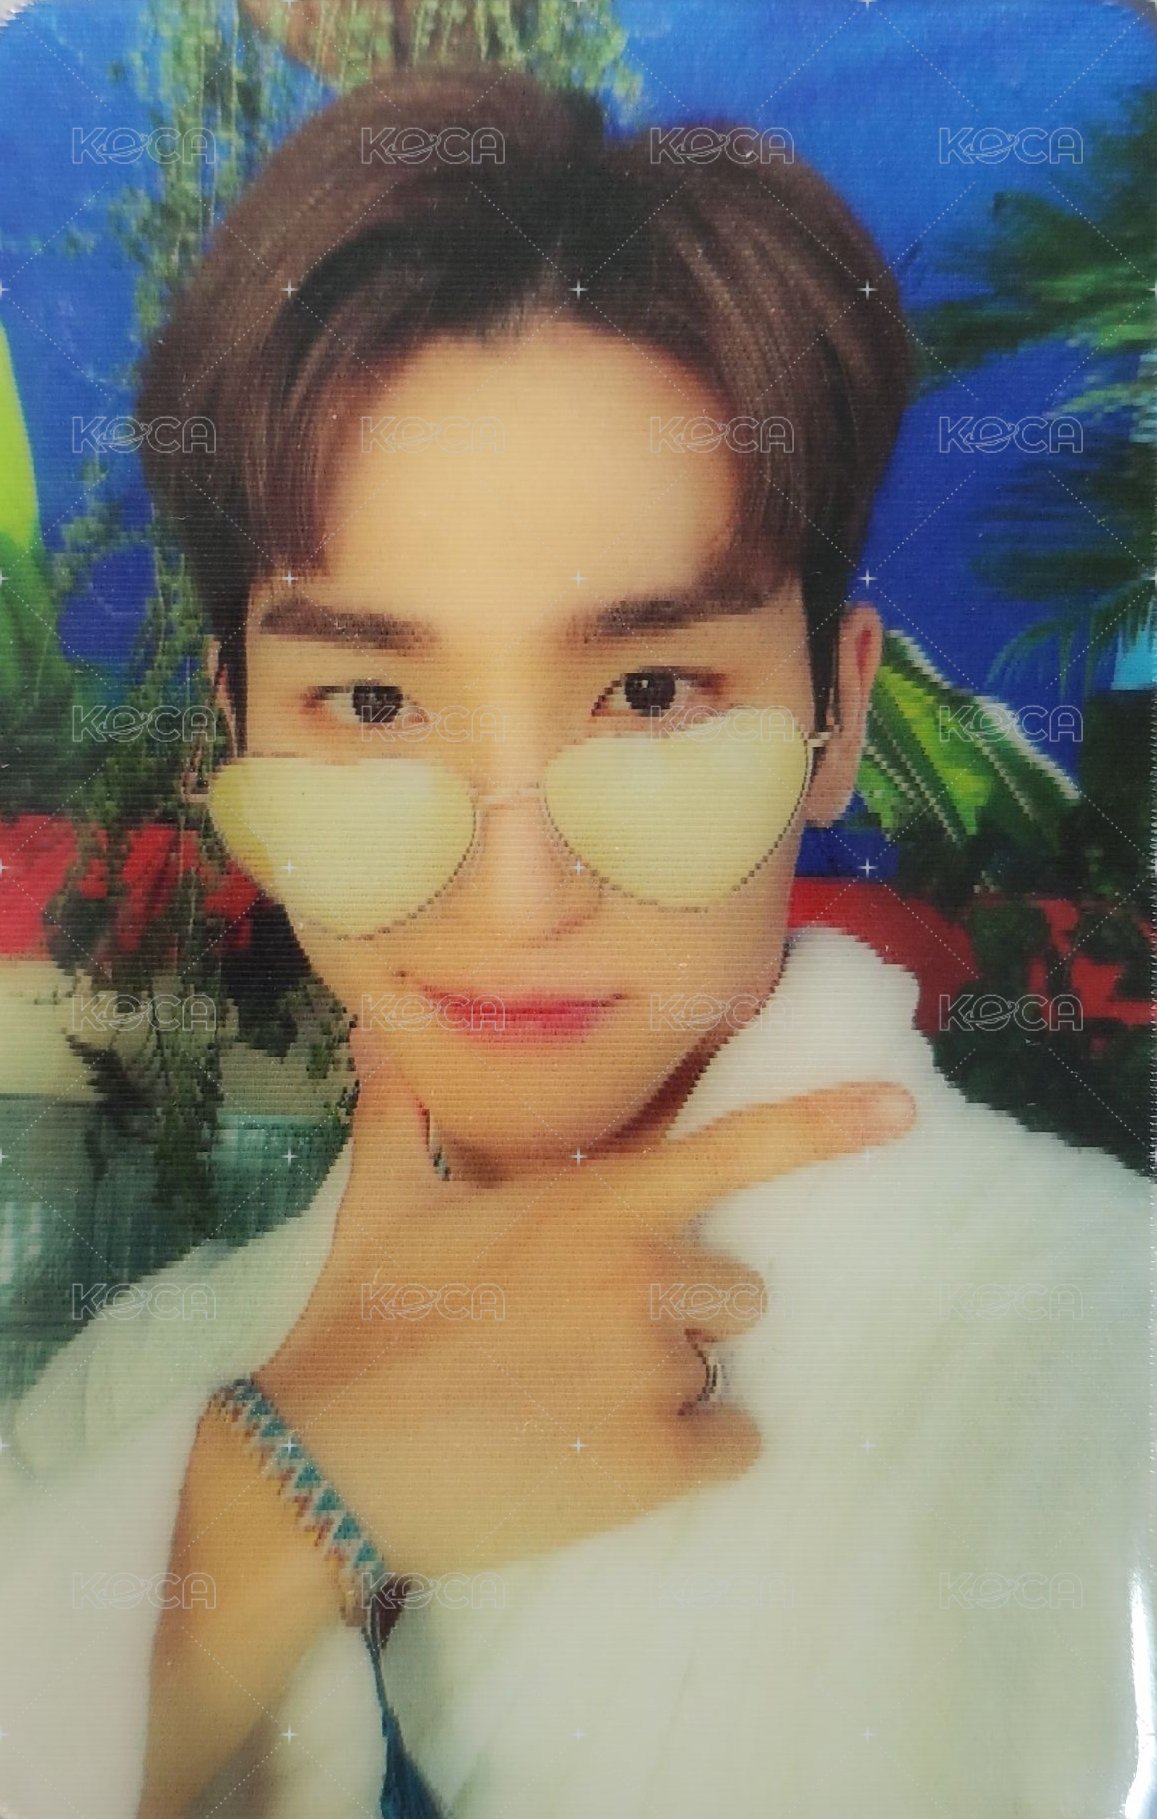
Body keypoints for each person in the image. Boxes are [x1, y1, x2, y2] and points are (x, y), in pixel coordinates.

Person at [0, 68, 1148, 1819]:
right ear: (234, 731)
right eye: (369, 701)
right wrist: (273, 1507)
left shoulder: (1096, 1357)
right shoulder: (133, 1398)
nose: (518, 896)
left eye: (651, 690)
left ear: (835, 717)